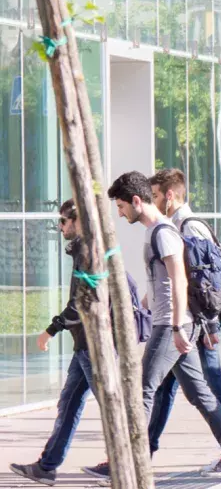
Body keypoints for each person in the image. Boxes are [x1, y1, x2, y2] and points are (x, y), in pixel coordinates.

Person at [89, 172, 221, 480]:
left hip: (172, 326)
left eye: (121, 207)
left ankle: (128, 462)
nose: (120, 214)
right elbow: (162, 282)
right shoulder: (157, 232)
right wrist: (141, 306)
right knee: (198, 392)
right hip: (172, 323)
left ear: (137, 201)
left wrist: (176, 327)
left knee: (142, 390)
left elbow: (179, 280)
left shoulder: (163, 232)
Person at [10, 201, 127, 485]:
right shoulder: (89, 248)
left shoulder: (88, 252)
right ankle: (47, 466)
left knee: (109, 404)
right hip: (86, 344)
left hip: (93, 343)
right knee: (70, 402)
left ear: (77, 221)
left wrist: (50, 330)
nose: (59, 227)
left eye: (63, 221)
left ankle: (124, 463)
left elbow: (80, 304)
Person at [146, 169, 221, 461]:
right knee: (163, 387)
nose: (153, 201)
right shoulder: (171, 226)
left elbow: (207, 280)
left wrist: (210, 326)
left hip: (199, 324)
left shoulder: (187, 227)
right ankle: (144, 449)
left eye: (155, 196)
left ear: (169, 195)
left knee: (212, 384)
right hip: (187, 321)